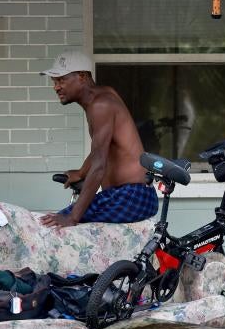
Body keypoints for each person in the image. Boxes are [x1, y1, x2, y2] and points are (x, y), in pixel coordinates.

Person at [39, 50, 158, 228]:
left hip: (129, 196)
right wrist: (80, 173)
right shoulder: (102, 97)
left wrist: (72, 218)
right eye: (54, 81)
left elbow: (99, 165)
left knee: (50, 226)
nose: (56, 87)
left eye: (61, 80)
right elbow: (100, 152)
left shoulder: (100, 105)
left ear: (81, 76)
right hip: (135, 196)